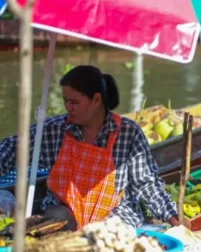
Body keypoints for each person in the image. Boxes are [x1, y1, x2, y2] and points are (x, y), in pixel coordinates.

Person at [0, 65, 186, 231]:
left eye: (74, 102)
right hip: (65, 214)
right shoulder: (56, 130)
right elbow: (12, 148)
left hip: (114, 218)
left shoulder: (128, 134)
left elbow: (147, 184)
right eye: (66, 101)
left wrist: (172, 215)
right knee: (55, 219)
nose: (68, 108)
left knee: (109, 233)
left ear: (96, 100)